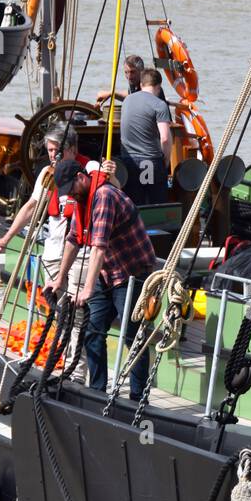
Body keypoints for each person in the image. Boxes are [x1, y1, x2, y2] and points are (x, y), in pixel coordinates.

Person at [49, 160, 157, 399]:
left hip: (132, 272)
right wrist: (59, 278)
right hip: (106, 272)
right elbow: (74, 239)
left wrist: (86, 289)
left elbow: (98, 246)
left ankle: (139, 398)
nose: (71, 194)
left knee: (133, 334)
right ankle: (97, 391)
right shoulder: (80, 201)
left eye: (71, 188)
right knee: (92, 329)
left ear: (81, 177)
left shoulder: (104, 195)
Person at [0, 127, 88, 293]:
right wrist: (6, 239)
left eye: (58, 150)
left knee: (76, 310)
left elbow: (111, 190)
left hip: (80, 255)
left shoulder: (88, 171)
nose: (53, 155)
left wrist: (112, 176)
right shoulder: (47, 174)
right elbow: (31, 207)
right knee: (55, 306)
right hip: (54, 252)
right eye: (50, 150)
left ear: (73, 149)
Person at [118, 68, 173, 206]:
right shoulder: (159, 105)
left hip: (128, 162)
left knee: (134, 204)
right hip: (150, 162)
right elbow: (165, 137)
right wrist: (165, 161)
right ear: (159, 87)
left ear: (141, 85)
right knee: (156, 206)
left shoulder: (127, 101)